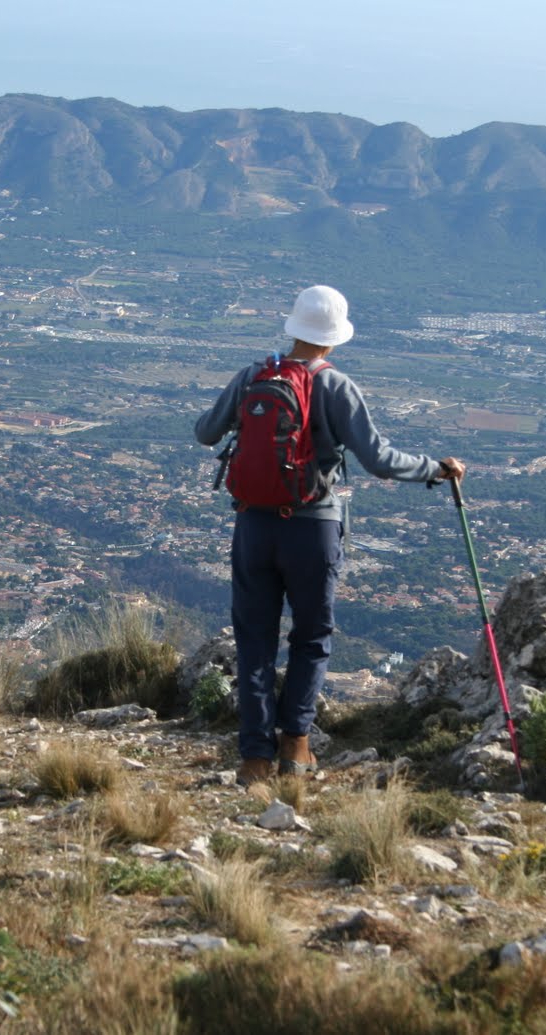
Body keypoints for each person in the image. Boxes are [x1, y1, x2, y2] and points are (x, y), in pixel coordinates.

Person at [195, 285, 465, 785]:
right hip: (313, 526)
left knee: (254, 640)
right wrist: (435, 469)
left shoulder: (253, 375)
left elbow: (205, 433)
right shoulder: (335, 386)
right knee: (311, 635)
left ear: (293, 327)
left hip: (253, 524)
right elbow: (378, 459)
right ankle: (296, 744)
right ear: (334, 339)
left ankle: (254, 758)